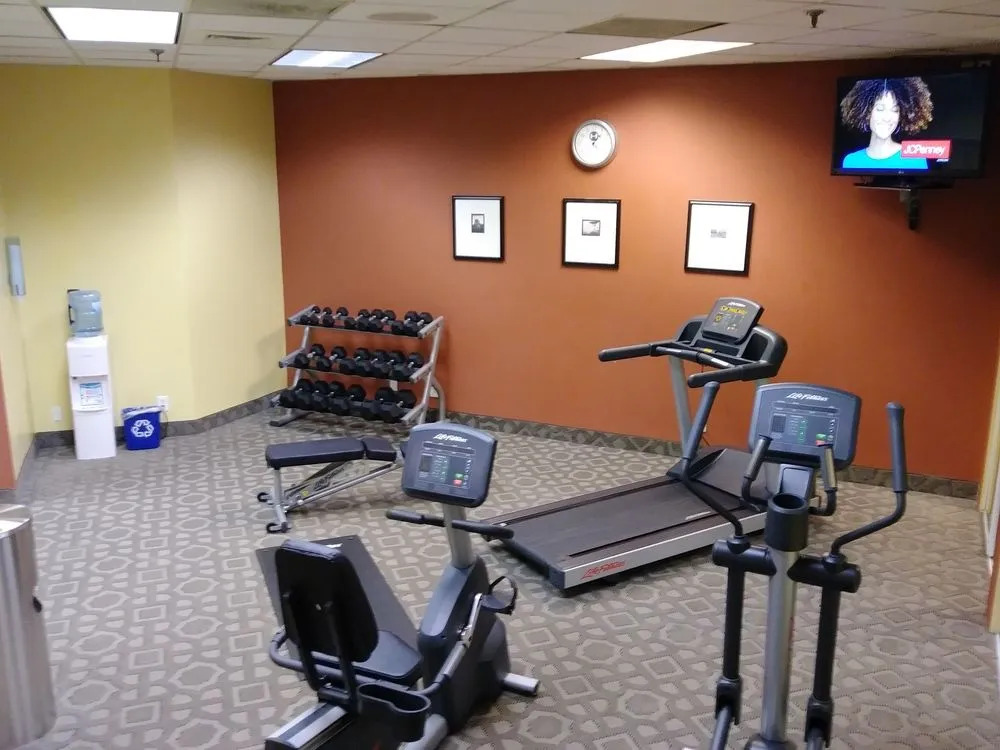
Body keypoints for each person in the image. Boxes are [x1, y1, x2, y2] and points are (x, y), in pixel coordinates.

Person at [839, 77, 933, 170]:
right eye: (880, 109)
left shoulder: (915, 159)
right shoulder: (851, 161)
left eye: (895, 110)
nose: (887, 118)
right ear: (865, 112)